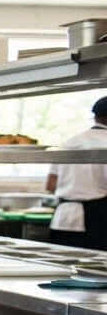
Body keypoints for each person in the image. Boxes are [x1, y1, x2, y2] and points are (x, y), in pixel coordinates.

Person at [46, 96, 107, 249]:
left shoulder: (69, 142)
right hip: (96, 218)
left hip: (63, 218)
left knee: (60, 264)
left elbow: (50, 184)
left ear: (95, 116)